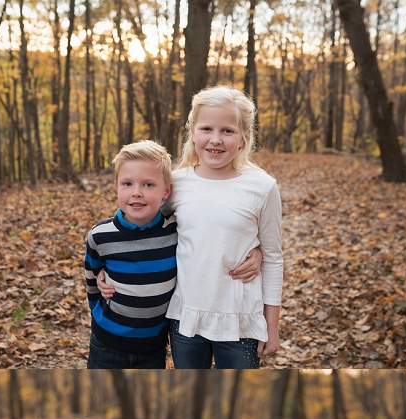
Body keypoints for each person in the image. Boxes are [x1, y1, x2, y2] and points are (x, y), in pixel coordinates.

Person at [98, 86, 282, 369]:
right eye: (206, 128)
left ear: (244, 137)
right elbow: (138, 218)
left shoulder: (262, 187)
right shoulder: (178, 182)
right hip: (185, 317)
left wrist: (272, 324)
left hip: (239, 320)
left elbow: (273, 257)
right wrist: (107, 264)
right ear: (193, 131)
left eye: (228, 131)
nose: (216, 140)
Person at [84, 139, 261, 369]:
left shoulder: (175, 230)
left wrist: (258, 251)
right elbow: (91, 278)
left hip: (154, 347)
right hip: (107, 344)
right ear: (116, 186)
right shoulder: (100, 235)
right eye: (127, 183)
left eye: (148, 185)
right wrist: (99, 286)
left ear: (166, 191)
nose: (136, 193)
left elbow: (210, 239)